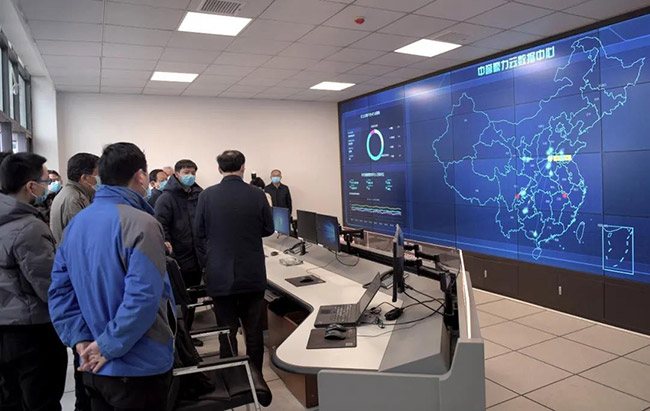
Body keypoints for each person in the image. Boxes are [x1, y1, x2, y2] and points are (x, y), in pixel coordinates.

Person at [48, 142, 175, 411]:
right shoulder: (142, 223)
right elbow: (142, 298)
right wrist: (106, 347)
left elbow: (59, 291)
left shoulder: (77, 224)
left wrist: (81, 341)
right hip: (138, 366)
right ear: (140, 176)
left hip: (93, 366)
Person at [195, 150, 274, 373]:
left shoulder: (206, 195)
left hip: (219, 273)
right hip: (252, 272)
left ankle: (231, 375)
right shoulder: (258, 194)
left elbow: (198, 231)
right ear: (243, 167)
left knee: (226, 330)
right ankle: (256, 377)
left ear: (219, 169)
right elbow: (268, 229)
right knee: (253, 331)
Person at [0, 152, 68, 410]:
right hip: (32, 331)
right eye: (45, 180)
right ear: (30, 186)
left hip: (5, 329)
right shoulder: (29, 227)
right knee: (42, 400)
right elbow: (50, 285)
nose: (48, 185)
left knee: (11, 399)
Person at [155, 159, 203, 289]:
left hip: (198, 256)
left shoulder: (199, 195)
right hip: (180, 256)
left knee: (196, 290)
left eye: (193, 173)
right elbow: (161, 226)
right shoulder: (166, 198)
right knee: (182, 293)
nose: (190, 176)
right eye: (186, 172)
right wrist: (171, 255)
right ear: (176, 174)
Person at [50, 153, 100, 246]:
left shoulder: (72, 193)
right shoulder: (74, 199)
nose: (101, 180)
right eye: (98, 176)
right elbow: (82, 238)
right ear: (85, 178)